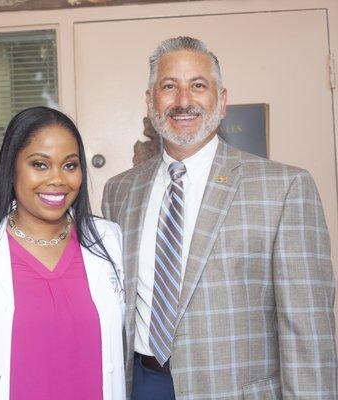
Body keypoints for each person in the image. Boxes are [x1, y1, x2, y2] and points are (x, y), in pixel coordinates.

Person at [102, 36, 337, 399]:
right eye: (169, 86)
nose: (183, 101)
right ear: (150, 102)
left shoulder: (285, 187)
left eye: (198, 85)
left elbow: (309, 331)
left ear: (221, 100)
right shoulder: (119, 192)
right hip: (144, 385)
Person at [0, 106, 125, 400]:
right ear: (11, 167)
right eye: (40, 165)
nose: (57, 179)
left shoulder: (108, 240)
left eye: (69, 165)